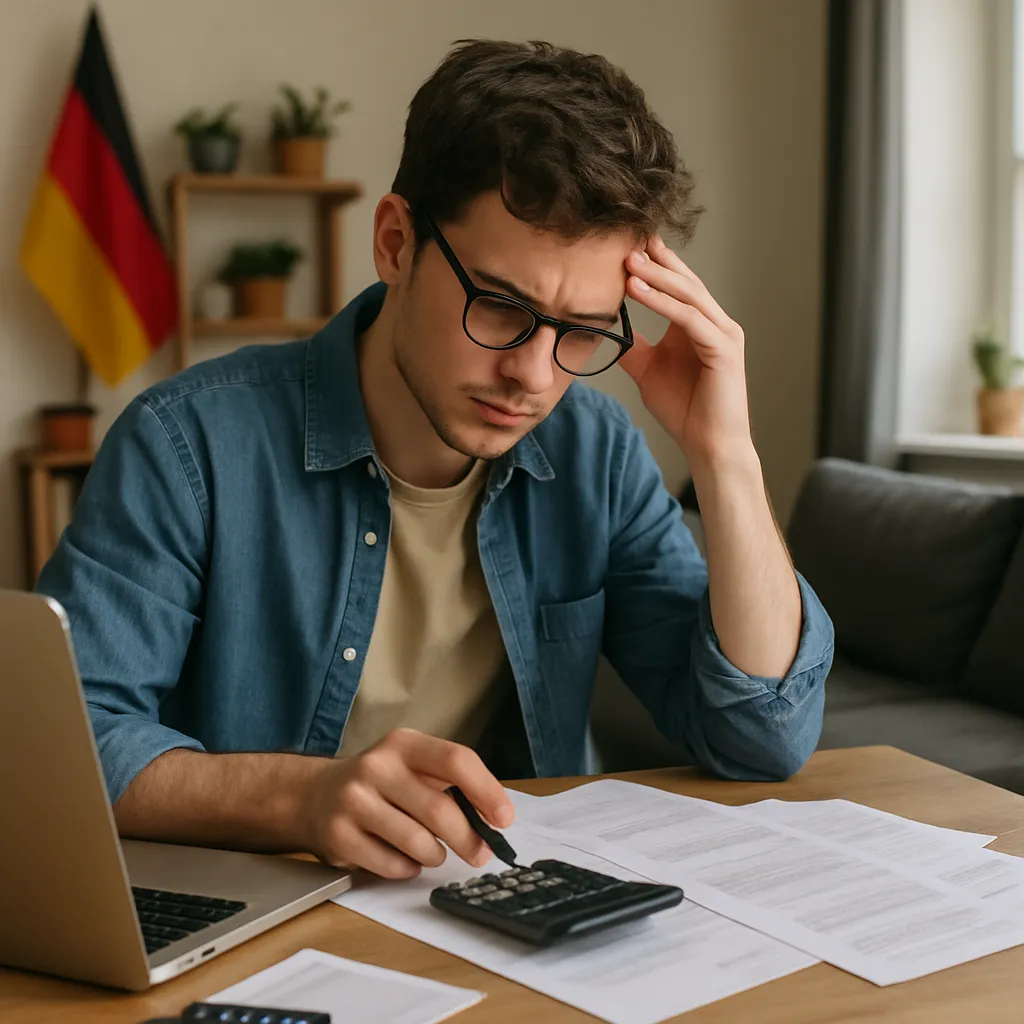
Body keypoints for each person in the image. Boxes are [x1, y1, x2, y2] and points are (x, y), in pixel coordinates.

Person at [37, 40, 834, 881]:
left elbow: (762, 739)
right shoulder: (186, 444)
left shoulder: (596, 454)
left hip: (503, 903)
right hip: (265, 908)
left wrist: (725, 454)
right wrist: (299, 799)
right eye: (501, 308)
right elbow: (66, 749)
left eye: (583, 332)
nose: (534, 376)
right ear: (395, 243)